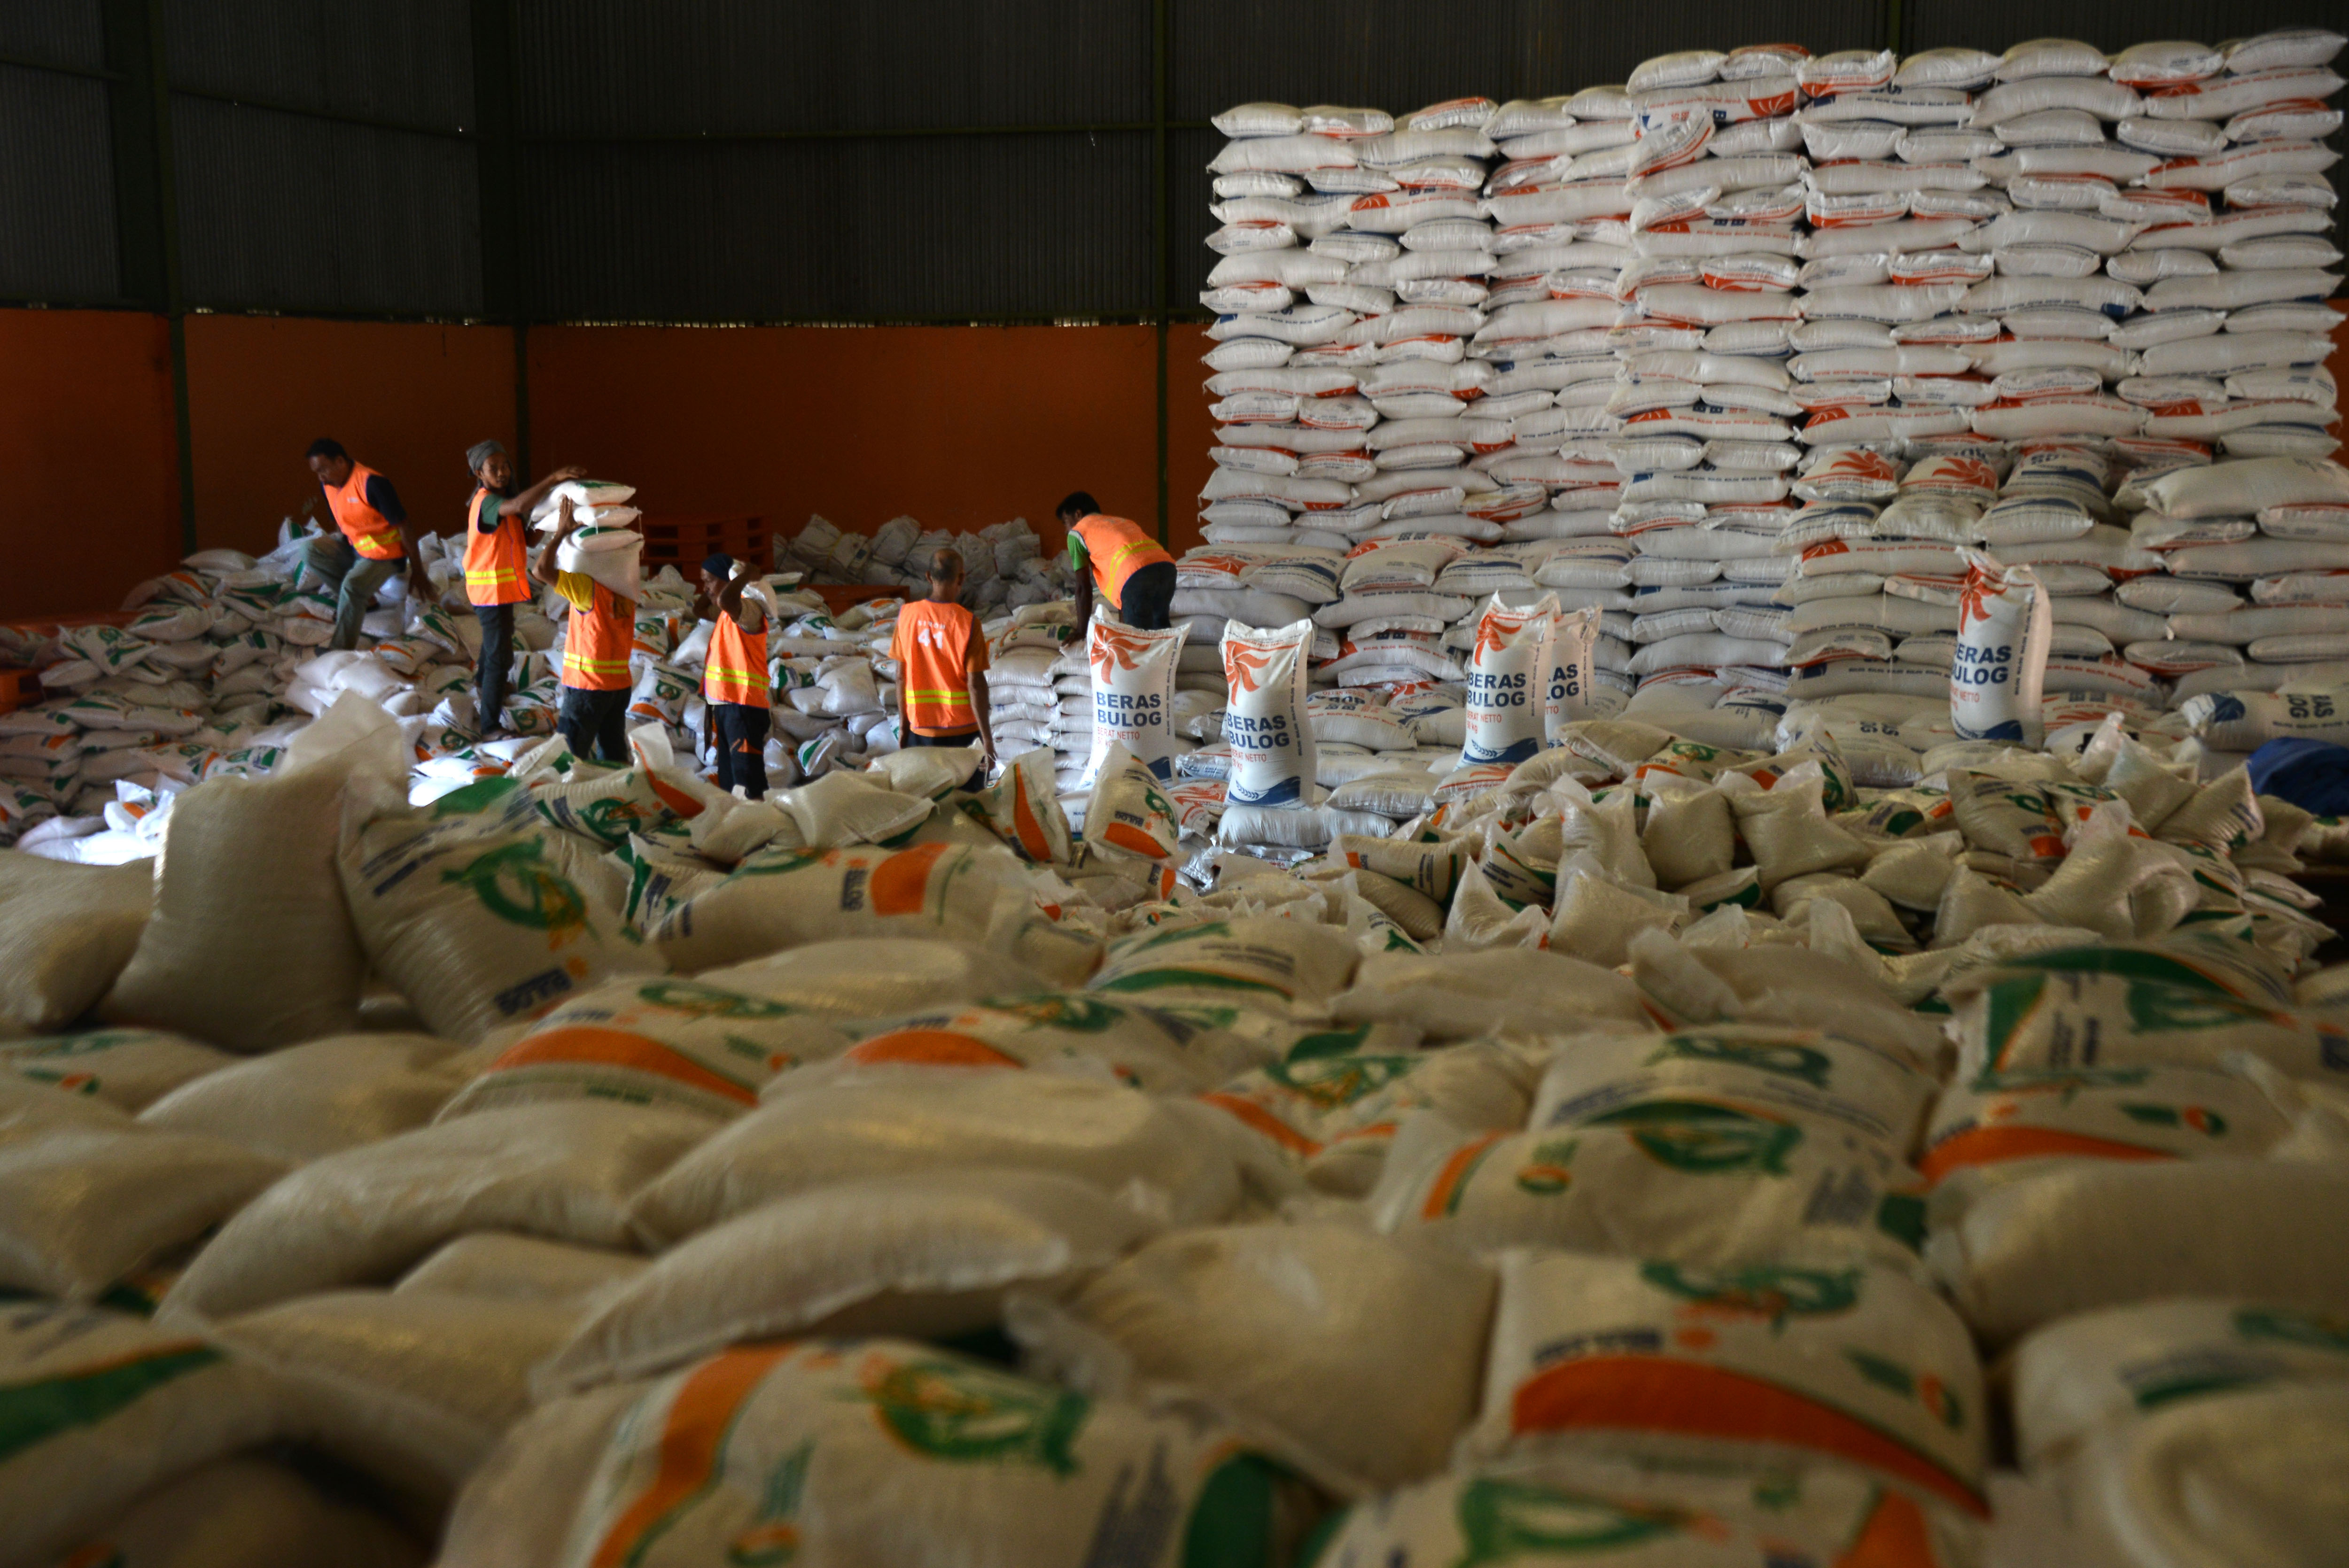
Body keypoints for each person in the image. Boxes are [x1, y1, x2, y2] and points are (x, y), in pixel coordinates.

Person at [463, 441, 585, 737]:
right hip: (488, 593)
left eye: (506, 466)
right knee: (499, 656)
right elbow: (519, 506)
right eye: (495, 469)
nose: (502, 473)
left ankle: (483, 683)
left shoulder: (504, 500)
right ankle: (490, 725)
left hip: (500, 593)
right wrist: (554, 479)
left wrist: (558, 524)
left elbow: (527, 538)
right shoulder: (487, 502)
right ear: (480, 473)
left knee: (499, 647)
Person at [530, 493, 636, 764]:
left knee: (568, 758)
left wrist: (560, 534)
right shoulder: (627, 589)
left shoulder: (588, 588)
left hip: (588, 687)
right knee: (613, 755)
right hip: (619, 687)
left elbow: (541, 571)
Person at [303, 438, 426, 651]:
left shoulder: (372, 483)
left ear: (340, 461)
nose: (321, 477)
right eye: (316, 472)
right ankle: (366, 601)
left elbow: (405, 527)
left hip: (386, 554)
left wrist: (418, 570)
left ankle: (339, 651)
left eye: (324, 470)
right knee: (309, 550)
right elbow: (339, 521)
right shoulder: (329, 486)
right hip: (356, 548)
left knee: (353, 586)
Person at [891, 548, 996, 761]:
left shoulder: (906, 616)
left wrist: (904, 727)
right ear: (962, 578)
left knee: (926, 793)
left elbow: (901, 677)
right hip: (963, 731)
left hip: (920, 730)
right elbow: (976, 685)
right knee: (969, 794)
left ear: (928, 577)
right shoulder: (969, 623)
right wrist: (987, 738)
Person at [694, 551, 771, 799]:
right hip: (727, 708)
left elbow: (727, 600)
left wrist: (746, 575)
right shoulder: (726, 615)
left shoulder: (749, 610)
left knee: (747, 782)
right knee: (730, 783)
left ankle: (759, 829)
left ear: (729, 580)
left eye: (709, 580)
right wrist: (713, 590)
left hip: (744, 708)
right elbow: (699, 610)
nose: (705, 588)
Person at [1060, 490, 1175, 631]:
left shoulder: (1077, 533)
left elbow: (1083, 587)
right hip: (1167, 568)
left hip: (1136, 575)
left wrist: (1081, 631)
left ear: (1078, 514)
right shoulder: (1122, 522)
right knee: (1161, 632)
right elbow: (1125, 584)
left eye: (1065, 522)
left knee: (1138, 643)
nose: (1066, 530)